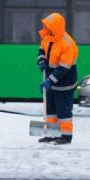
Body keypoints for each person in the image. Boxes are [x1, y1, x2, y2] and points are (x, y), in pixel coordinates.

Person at [36, 13, 79, 145]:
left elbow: (64, 68)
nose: (45, 28)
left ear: (55, 27)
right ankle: (52, 134)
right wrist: (41, 61)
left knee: (63, 110)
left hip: (65, 82)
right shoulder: (47, 38)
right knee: (50, 110)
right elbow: (41, 50)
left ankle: (66, 136)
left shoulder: (67, 43)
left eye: (48, 26)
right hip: (50, 79)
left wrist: (50, 80)